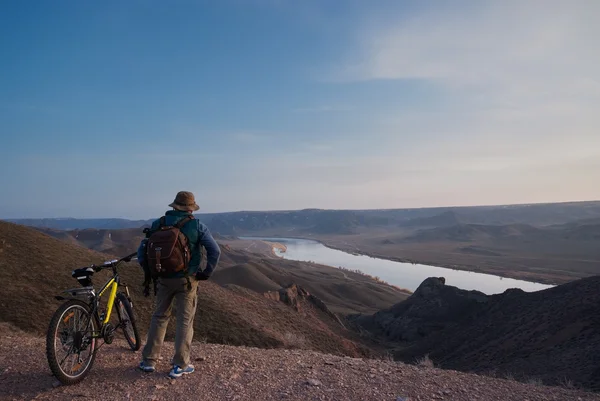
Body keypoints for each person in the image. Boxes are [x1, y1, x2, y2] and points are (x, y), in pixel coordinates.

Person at [137, 191, 221, 379]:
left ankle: (149, 361)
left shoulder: (158, 224)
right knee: (184, 321)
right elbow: (215, 251)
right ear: (190, 208)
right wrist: (206, 273)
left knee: (159, 316)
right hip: (186, 280)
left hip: (162, 278)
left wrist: (151, 272)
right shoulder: (197, 226)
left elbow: (142, 252)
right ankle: (180, 365)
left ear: (174, 206)